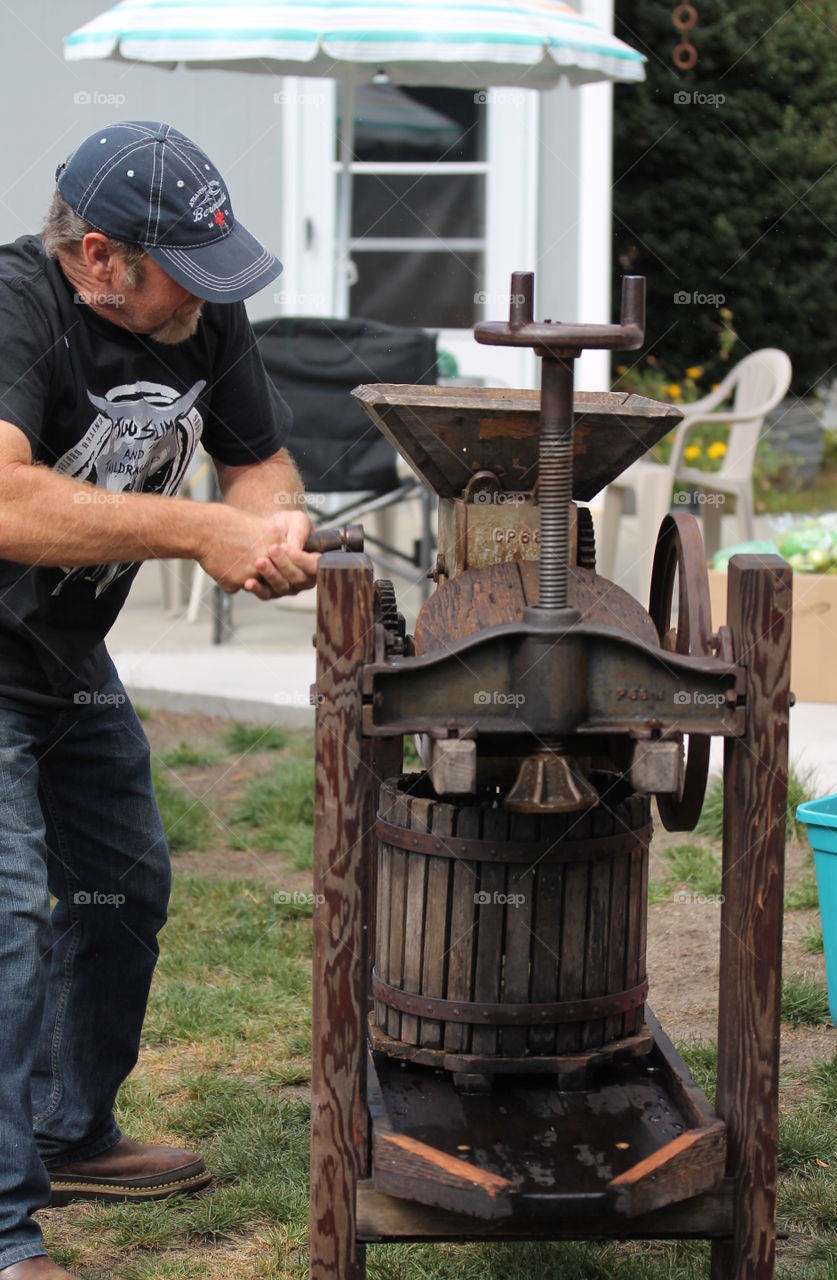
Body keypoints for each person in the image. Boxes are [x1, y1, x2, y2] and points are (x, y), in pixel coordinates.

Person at [0, 121, 321, 1280]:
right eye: (188, 264)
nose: (214, 291)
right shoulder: (16, 306)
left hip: (61, 652)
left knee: (122, 884)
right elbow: (4, 501)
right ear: (98, 257)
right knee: (11, 918)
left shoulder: (201, 309)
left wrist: (270, 516)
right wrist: (199, 529)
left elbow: (257, 460)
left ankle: (67, 1129)